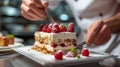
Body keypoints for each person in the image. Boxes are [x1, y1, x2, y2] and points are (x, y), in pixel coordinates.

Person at [21, 0, 120, 56]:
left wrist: (109, 24)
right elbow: (42, 2)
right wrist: (32, 5)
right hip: (83, 42)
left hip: (114, 43)